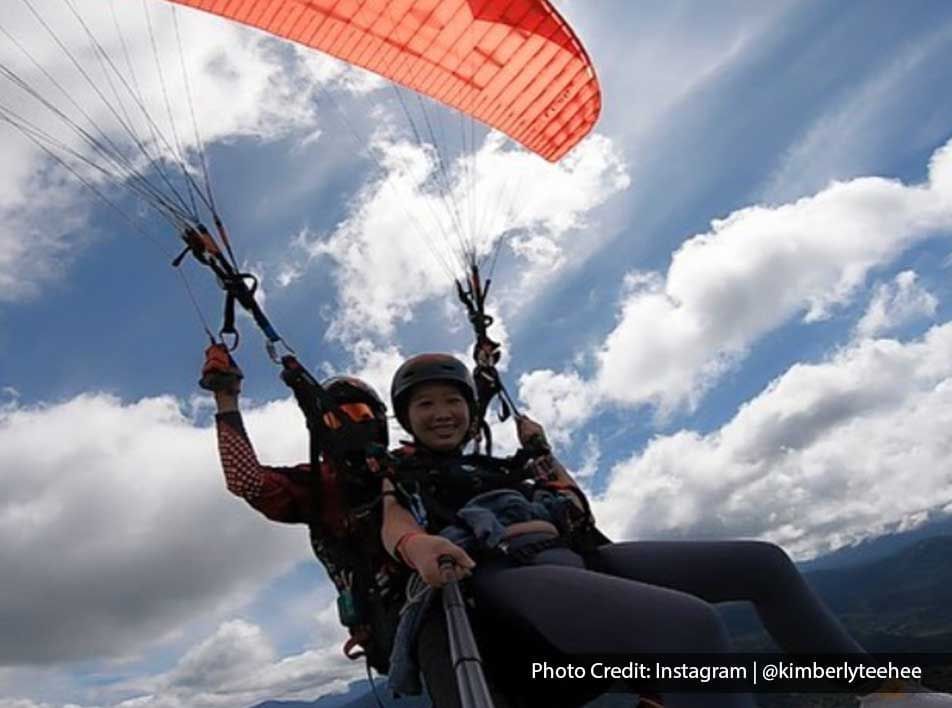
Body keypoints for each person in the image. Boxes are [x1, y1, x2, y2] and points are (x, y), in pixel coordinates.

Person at [379, 353, 952, 708]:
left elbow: (573, 501)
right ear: (407, 419)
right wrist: (420, 545)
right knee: (689, 623)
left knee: (763, 562)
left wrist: (541, 449)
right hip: (505, 574)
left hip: (574, 553)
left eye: (452, 400)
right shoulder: (399, 472)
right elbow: (394, 522)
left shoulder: (507, 464)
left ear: (472, 410)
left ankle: (883, 693)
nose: (441, 413)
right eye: (425, 405)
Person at [200, 343, 406, 673]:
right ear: (321, 431)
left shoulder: (411, 465)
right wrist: (226, 399)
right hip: (392, 622)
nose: (348, 427)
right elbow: (245, 481)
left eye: (358, 415)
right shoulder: (319, 484)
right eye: (334, 420)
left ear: (379, 421)